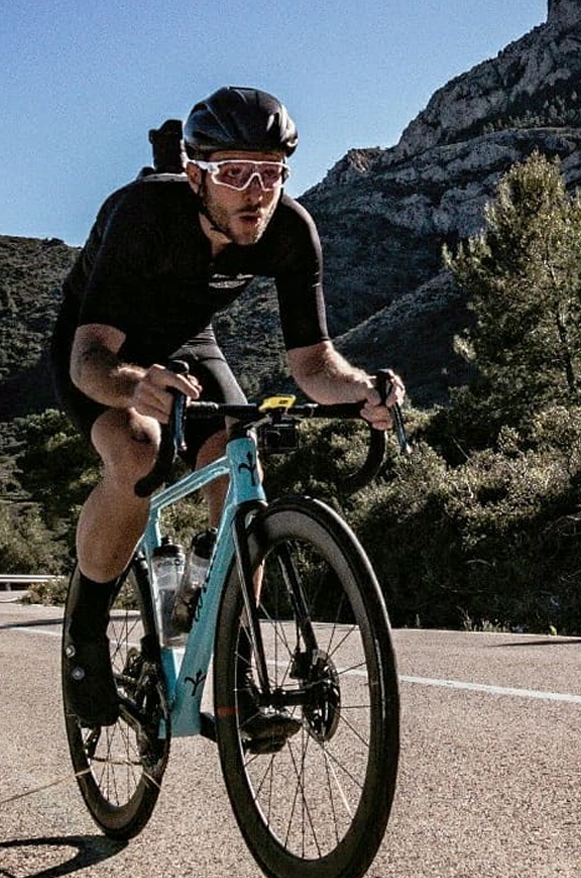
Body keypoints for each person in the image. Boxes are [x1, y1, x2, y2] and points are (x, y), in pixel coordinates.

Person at [50, 86, 405, 728]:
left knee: (239, 451)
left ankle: (236, 670)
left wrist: (362, 391)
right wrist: (134, 387)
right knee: (139, 450)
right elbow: (89, 359)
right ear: (195, 174)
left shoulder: (290, 231)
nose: (256, 192)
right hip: (102, 348)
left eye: (271, 174)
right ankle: (86, 631)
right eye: (236, 173)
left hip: (189, 344)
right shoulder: (142, 214)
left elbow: (314, 365)